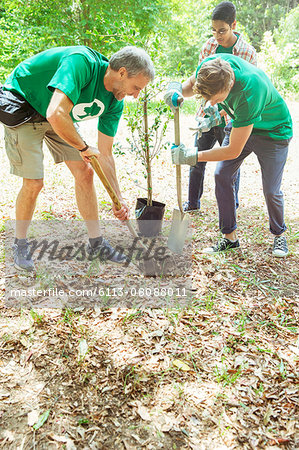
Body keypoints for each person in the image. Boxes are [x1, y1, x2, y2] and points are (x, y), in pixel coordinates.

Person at [0, 45, 154, 271]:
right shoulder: (81, 63)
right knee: (34, 182)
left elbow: (105, 154)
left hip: (55, 114)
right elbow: (55, 112)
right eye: (136, 87)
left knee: (85, 171)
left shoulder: (115, 100)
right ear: (121, 73)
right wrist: (83, 147)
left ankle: (96, 244)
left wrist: (117, 199)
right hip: (26, 104)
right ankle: (20, 243)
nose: (136, 94)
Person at [169, 54, 292, 257]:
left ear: (229, 85)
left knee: (271, 189)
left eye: (215, 99)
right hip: (242, 124)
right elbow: (191, 84)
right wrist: (175, 90)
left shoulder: (249, 91)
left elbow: (232, 150)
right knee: (222, 175)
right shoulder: (212, 67)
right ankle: (229, 238)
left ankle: (279, 235)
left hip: (273, 132)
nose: (210, 102)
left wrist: (191, 155)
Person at [167, 1, 257, 212]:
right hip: (205, 115)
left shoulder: (247, 52)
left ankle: (231, 204)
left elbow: (245, 93)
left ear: (234, 25)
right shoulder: (208, 47)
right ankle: (192, 204)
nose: (217, 35)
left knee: (229, 163)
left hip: (231, 117)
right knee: (195, 158)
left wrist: (221, 111)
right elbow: (199, 82)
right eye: (214, 30)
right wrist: (178, 91)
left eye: (222, 30)